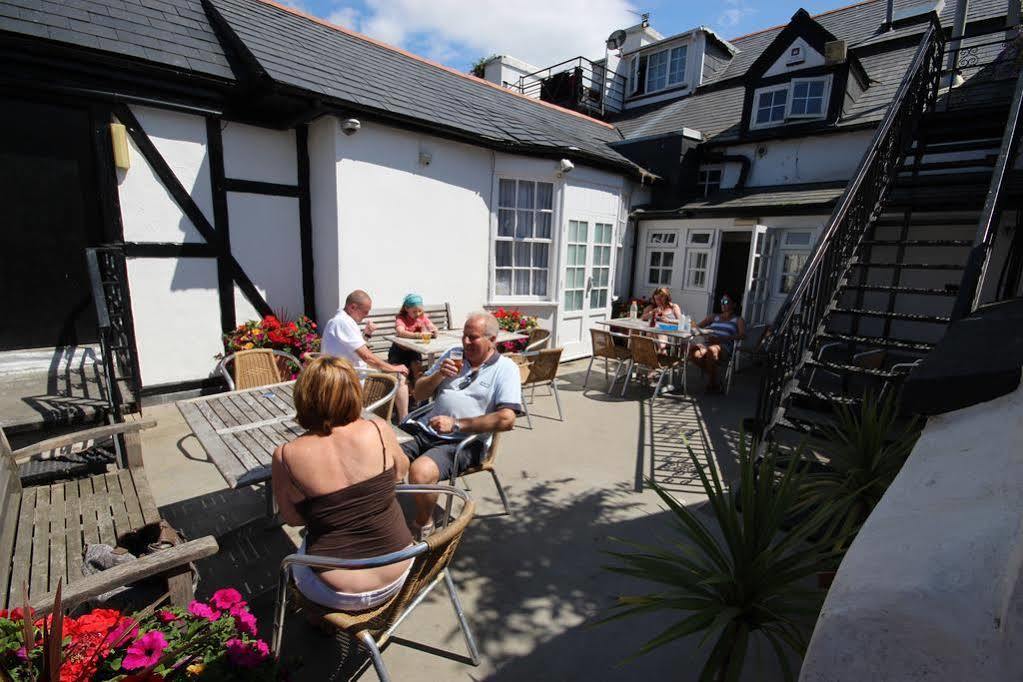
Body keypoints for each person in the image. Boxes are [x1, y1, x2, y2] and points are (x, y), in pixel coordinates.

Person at [271, 356, 413, 611]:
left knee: (298, 556)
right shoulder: (378, 428)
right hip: (400, 567)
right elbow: (401, 472)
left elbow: (292, 519)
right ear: (353, 392)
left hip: (337, 591)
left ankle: (317, 618)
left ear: (303, 397)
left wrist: (332, 513)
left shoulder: (285, 455)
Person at [400, 311, 522, 539]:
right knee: (383, 457)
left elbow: (507, 419)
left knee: (421, 471)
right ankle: (381, 516)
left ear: (492, 340)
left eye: (473, 337)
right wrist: (437, 377)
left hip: (464, 441)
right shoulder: (453, 355)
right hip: (426, 428)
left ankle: (424, 524)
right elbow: (418, 391)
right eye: (464, 336)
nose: (465, 342)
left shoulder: (505, 369)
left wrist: (456, 424)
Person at [322, 289, 411, 421]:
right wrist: (393, 368)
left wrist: (367, 334)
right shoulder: (342, 322)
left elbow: (354, 348)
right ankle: (404, 420)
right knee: (399, 376)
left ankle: (397, 416)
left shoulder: (341, 320)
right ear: (352, 307)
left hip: (344, 371)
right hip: (348, 377)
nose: (366, 315)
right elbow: (367, 357)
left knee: (394, 370)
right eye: (365, 311)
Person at [690, 293, 746, 393]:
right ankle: (715, 380)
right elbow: (698, 327)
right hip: (707, 343)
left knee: (712, 350)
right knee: (693, 352)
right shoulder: (714, 317)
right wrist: (697, 329)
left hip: (724, 346)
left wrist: (722, 338)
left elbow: (742, 335)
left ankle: (712, 383)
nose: (723, 304)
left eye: (726, 302)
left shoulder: (738, 320)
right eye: (721, 302)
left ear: (733, 304)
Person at [387, 293, 438, 383]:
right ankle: (410, 392)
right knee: (401, 375)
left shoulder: (422, 317)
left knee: (418, 372)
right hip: (399, 351)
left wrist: (434, 331)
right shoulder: (401, 318)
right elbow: (400, 332)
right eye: (414, 312)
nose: (418, 314)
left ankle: (419, 392)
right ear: (406, 309)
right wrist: (418, 335)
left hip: (414, 350)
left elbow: (431, 326)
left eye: (420, 311)